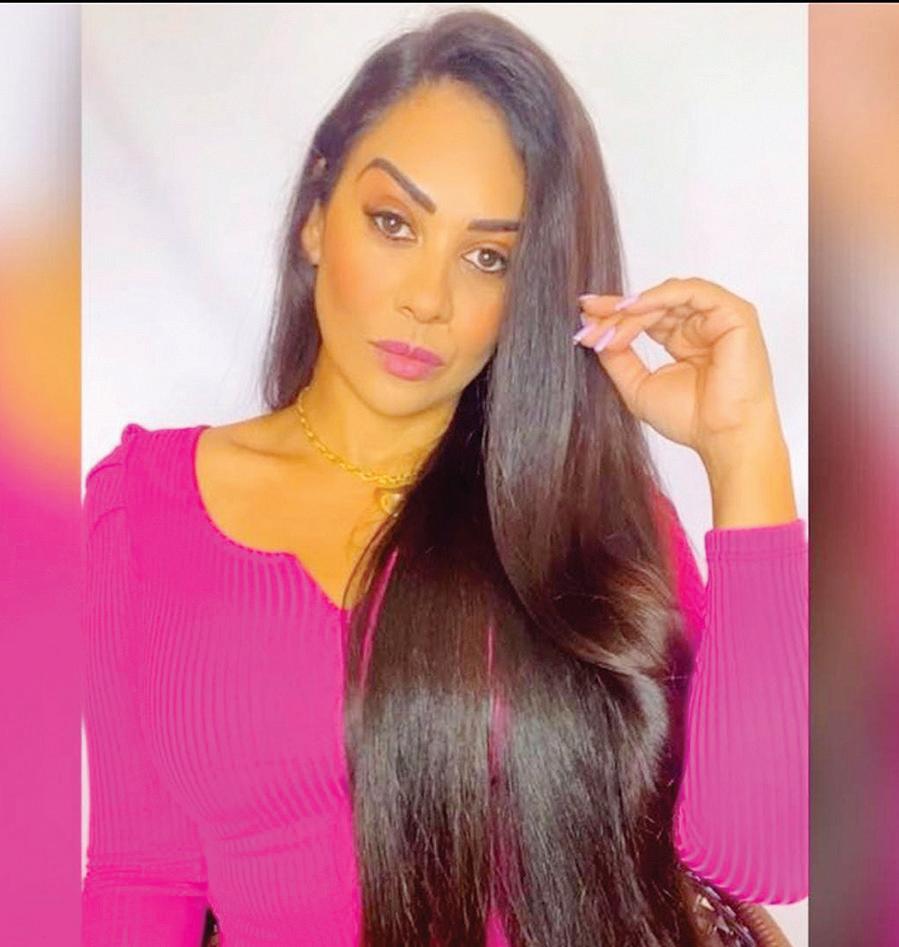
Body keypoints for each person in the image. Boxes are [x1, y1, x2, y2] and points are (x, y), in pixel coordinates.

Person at [81, 9, 808, 946]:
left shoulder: (588, 521)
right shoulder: (144, 507)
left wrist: (741, 448)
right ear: (315, 216)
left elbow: (762, 856)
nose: (427, 298)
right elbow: (144, 876)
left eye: (486, 257)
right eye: (393, 223)